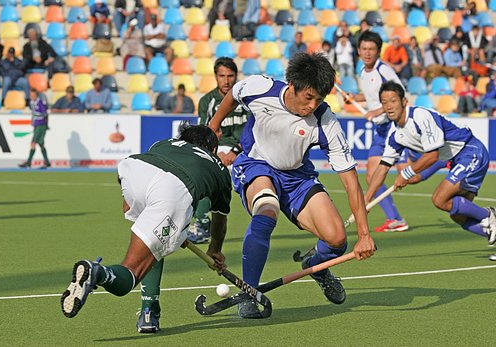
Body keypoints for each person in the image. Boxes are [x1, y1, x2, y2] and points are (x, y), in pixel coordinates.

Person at [209, 52, 376, 318]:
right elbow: (233, 96)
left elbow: (351, 181)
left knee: (336, 239)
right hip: (256, 165)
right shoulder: (260, 88)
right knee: (266, 211)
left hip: (297, 177)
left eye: (319, 99)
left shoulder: (325, 120)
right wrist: (214, 126)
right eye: (308, 97)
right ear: (292, 86)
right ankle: (249, 294)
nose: (312, 105)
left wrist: (365, 234)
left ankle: (318, 266)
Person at [60, 124, 232, 334]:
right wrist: (214, 250)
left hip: (133, 171)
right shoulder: (219, 167)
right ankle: (99, 273)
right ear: (213, 149)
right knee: (132, 271)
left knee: (154, 247)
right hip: (173, 190)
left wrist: (128, 198)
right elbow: (219, 219)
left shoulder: (165, 143)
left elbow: (133, 167)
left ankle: (149, 313)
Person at [365, 81, 496, 259]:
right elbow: (382, 168)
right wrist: (366, 200)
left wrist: (406, 173)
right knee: (458, 214)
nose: (388, 106)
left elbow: (432, 155)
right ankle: (489, 222)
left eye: (393, 101)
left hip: (470, 151)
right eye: (384, 102)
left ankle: (490, 215)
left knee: (439, 198)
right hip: (457, 160)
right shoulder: (396, 136)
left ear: (404, 102)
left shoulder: (420, 116)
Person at [348, 31, 408, 232]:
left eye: (371, 49)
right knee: (371, 176)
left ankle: (443, 158)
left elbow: (399, 97)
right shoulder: (363, 72)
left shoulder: (385, 70)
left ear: (378, 51)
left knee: (407, 173)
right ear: (358, 51)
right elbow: (371, 95)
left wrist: (378, 110)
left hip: (393, 127)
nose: (367, 53)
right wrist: (356, 97)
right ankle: (395, 219)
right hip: (380, 130)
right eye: (364, 49)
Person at [188, 57, 248, 244]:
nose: (226, 80)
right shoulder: (207, 101)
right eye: (222, 76)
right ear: (215, 76)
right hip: (217, 150)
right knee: (202, 173)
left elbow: (254, 132)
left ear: (236, 76)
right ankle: (202, 224)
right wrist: (216, 153)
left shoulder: (246, 100)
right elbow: (204, 135)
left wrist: (235, 152)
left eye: (230, 76)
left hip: (244, 150)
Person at [19, 89, 51, 169]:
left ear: (36, 96)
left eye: (33, 96)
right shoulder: (31, 102)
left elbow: (45, 114)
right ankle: (47, 162)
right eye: (31, 95)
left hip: (41, 125)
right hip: (36, 125)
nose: (32, 97)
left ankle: (29, 162)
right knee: (41, 143)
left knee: (33, 142)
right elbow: (33, 111)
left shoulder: (40, 103)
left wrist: (46, 124)